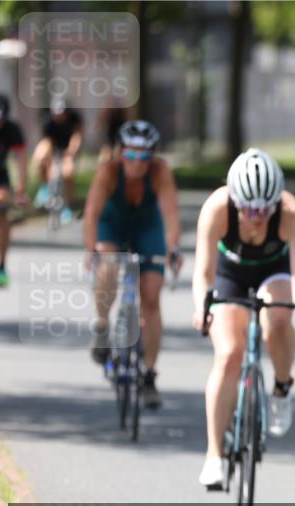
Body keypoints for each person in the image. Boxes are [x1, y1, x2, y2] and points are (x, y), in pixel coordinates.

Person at [191, 148, 295, 489]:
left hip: (273, 272)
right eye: (248, 209)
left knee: (278, 319)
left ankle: (281, 387)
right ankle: (214, 455)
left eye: (264, 208)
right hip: (229, 274)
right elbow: (203, 272)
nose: (257, 216)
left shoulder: (292, 213)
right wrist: (202, 308)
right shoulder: (217, 208)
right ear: (234, 198)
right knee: (229, 354)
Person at [83, 120, 182, 408]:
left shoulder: (160, 172)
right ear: (120, 152)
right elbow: (90, 214)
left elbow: (171, 213)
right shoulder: (108, 172)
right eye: (131, 154)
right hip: (112, 225)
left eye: (144, 155)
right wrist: (92, 250)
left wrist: (173, 247)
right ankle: (102, 325)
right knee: (109, 266)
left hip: (146, 228)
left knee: (151, 297)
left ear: (152, 156)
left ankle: (149, 375)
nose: (137, 162)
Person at [0, 90, 28, 288]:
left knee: (2, 207)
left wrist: (21, 188)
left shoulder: (12, 129)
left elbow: (21, 159)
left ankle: (2, 266)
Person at [32, 96, 83, 224]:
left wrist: (72, 151)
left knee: (68, 172)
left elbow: (77, 137)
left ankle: (67, 205)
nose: (59, 117)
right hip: (53, 146)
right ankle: (44, 187)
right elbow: (47, 141)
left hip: (67, 149)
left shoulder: (74, 119)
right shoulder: (48, 121)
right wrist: (48, 159)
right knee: (40, 157)